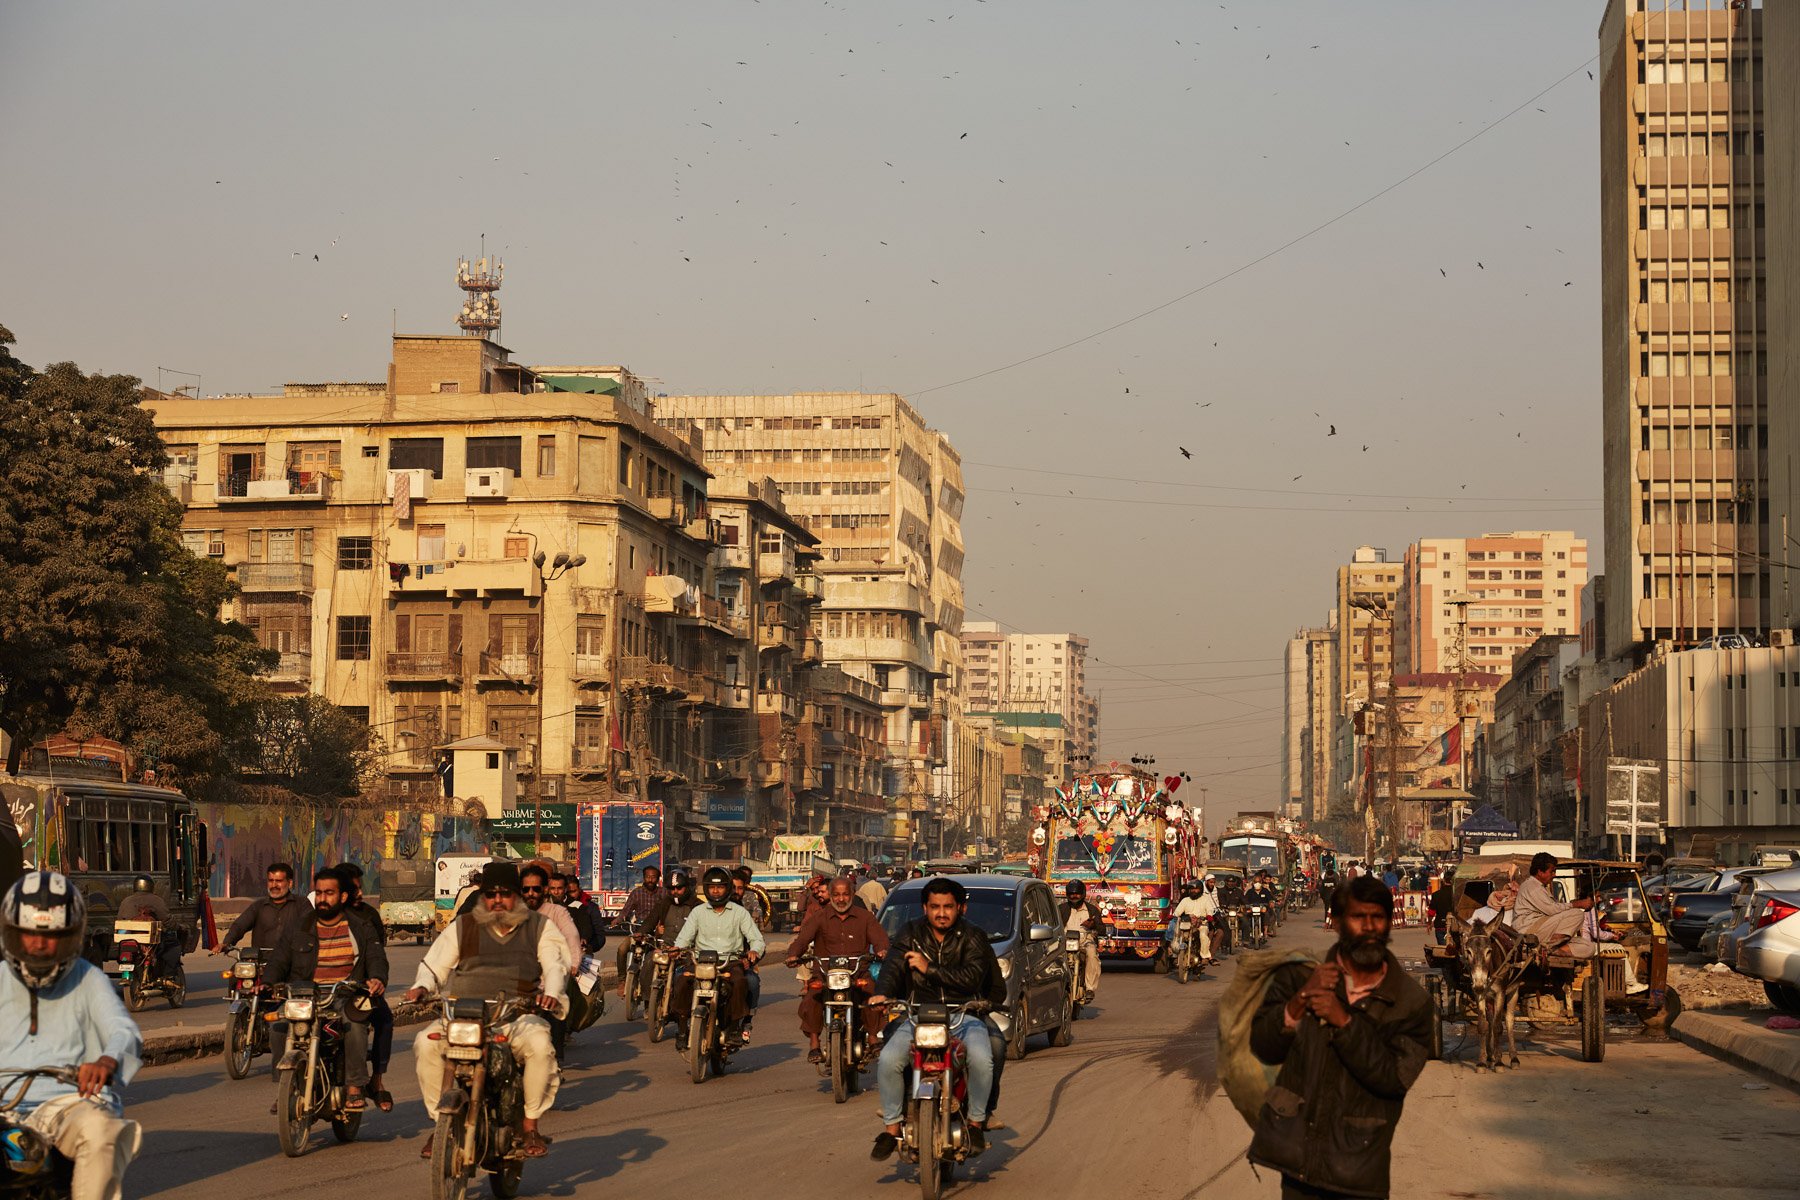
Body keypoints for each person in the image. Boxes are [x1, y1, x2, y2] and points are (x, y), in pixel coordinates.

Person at [1249, 875, 1431, 1199]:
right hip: (1298, 1166)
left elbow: (1393, 1079)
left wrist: (1344, 1021)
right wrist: (1299, 1001)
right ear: (1338, 924)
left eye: (1378, 918)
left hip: (1357, 1172)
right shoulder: (1299, 978)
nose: (1370, 927)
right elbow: (1264, 1047)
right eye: (1359, 917)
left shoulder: (1411, 1003)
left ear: (1389, 924)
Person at [404, 863, 567, 1161]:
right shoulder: (463, 926)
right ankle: (441, 1123)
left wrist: (551, 994)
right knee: (425, 1043)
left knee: (541, 1046)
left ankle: (530, 1124)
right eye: (490, 894)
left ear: (516, 896)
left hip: (515, 1018)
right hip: (462, 1016)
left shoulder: (539, 926)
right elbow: (433, 965)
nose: (497, 901)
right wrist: (422, 987)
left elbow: (555, 965)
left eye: (504, 894)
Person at [0, 870, 144, 1200]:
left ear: (70, 936)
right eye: (29, 933)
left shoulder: (88, 979)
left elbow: (124, 1032)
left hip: (68, 1104)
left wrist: (107, 1060)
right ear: (13, 933)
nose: (38, 944)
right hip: (4, 1105)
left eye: (50, 935)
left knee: (102, 1130)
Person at [868, 876, 997, 1162]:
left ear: (959, 908)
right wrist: (883, 993)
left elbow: (972, 978)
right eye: (935, 906)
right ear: (925, 907)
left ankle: (976, 1123)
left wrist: (929, 968)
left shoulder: (974, 936)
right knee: (889, 1059)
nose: (942, 913)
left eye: (948, 906)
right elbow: (892, 966)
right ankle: (891, 1128)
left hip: (963, 1015)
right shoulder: (910, 932)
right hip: (918, 1016)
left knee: (982, 1059)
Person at [264, 866, 388, 1114]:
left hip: (344, 995)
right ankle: (285, 1088)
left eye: (329, 893)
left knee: (355, 1026)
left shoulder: (361, 927)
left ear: (342, 897)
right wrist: (268, 981)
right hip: (305, 995)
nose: (322, 899)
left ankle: (355, 1087)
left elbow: (375, 956)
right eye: (319, 893)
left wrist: (375, 978)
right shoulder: (300, 927)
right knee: (277, 1026)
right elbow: (280, 958)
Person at [783, 876, 889, 1064]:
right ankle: (814, 1044)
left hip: (858, 973)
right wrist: (793, 955)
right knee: (811, 999)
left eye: (845, 894)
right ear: (831, 895)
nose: (841, 899)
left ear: (852, 894)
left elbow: (880, 939)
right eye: (837, 895)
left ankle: (872, 1037)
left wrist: (882, 950)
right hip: (825, 974)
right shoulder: (819, 917)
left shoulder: (865, 917)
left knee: (872, 996)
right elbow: (802, 940)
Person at [1513, 853, 1645, 992]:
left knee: (1588, 948)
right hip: (1531, 931)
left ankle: (1552, 949)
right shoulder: (1532, 886)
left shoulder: (1540, 888)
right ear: (1540, 872)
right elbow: (1552, 910)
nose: (1554, 875)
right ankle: (1548, 947)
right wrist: (1577, 904)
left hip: (1543, 930)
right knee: (1576, 914)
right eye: (1552, 871)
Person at [668, 867, 765, 1051]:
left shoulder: (739, 912)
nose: (715, 891)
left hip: (730, 962)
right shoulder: (698, 912)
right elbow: (684, 937)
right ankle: (681, 1029)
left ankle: (736, 1029)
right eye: (712, 887)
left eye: (719, 887)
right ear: (706, 889)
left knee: (740, 982)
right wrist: (677, 948)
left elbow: (756, 939)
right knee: (681, 981)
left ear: (727, 888)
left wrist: (754, 951)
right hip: (701, 963)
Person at [520, 864, 585, 1060]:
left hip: (549, 977)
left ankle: (556, 1059)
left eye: (536, 889)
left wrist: (574, 963)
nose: (531, 893)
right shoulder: (513, 913)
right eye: (526, 889)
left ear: (545, 889)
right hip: (519, 980)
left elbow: (572, 935)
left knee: (555, 1007)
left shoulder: (557, 912)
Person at [221, 862, 312, 953]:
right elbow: (240, 925)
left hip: (292, 961)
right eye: (271, 881)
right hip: (263, 962)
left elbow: (311, 928)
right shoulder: (258, 906)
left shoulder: (302, 904)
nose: (274, 885)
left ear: (290, 883)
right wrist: (227, 943)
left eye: (279, 881)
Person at [113, 876, 183, 981]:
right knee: (174, 946)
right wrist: (178, 926)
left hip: (127, 940)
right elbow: (167, 920)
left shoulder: (126, 901)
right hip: (150, 940)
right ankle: (168, 976)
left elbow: (119, 919)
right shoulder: (157, 900)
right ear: (151, 886)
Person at [616, 865, 665, 995]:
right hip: (638, 931)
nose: (650, 879)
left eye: (653, 877)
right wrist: (618, 919)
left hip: (655, 933)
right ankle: (622, 980)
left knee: (659, 956)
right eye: (648, 877)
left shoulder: (663, 893)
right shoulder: (636, 893)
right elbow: (626, 910)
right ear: (643, 878)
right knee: (622, 949)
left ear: (658, 878)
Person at [1057, 880, 1103, 1003]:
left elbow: (1102, 929)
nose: (1074, 896)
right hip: (1065, 942)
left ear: (1082, 894)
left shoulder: (1092, 910)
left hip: (1085, 941)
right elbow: (1053, 926)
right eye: (1071, 894)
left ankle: (1090, 989)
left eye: (1077, 894)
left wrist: (1093, 925)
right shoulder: (1061, 909)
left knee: (1092, 955)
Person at [549, 873, 603, 955]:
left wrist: (586, 943)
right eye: (553, 888)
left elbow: (589, 927)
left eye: (559, 888)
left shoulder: (581, 906)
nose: (556, 892)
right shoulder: (544, 905)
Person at [1166, 878, 1216, 965]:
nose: (1194, 891)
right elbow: (1178, 912)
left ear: (1200, 890)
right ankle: (1175, 953)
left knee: (1203, 936)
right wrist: (1173, 916)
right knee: (1175, 933)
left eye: (1196, 889)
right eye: (1192, 889)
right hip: (1186, 924)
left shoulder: (1205, 900)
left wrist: (1209, 916)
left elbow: (1210, 910)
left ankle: (1205, 956)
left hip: (1201, 924)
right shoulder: (1185, 900)